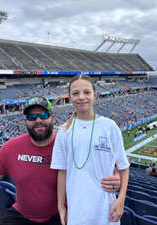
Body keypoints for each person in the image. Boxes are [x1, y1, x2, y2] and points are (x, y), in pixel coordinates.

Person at [0, 97, 120, 225]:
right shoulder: (11, 147)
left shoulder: (71, 144)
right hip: (22, 215)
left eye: (43, 115)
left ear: (53, 117)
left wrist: (114, 175)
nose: (38, 120)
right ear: (26, 121)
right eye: (32, 117)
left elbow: (104, 162)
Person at [50, 75, 129, 225]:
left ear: (95, 95)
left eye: (86, 92)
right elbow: (62, 172)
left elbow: (124, 167)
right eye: (75, 93)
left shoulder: (110, 126)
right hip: (77, 211)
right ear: (70, 97)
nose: (81, 97)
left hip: (106, 211)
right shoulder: (64, 132)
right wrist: (61, 206)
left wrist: (121, 199)